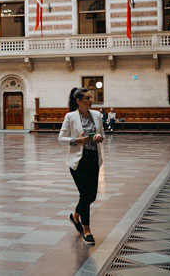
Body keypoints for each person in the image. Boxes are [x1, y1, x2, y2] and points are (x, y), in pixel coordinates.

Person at [59, 87, 105, 245]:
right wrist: (76, 140)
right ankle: (87, 229)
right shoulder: (70, 116)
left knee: (92, 195)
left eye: (91, 98)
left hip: (93, 159)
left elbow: (102, 134)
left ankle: (75, 215)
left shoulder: (97, 115)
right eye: (87, 98)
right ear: (78, 101)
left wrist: (99, 137)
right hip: (78, 161)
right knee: (85, 194)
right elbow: (61, 138)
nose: (90, 100)